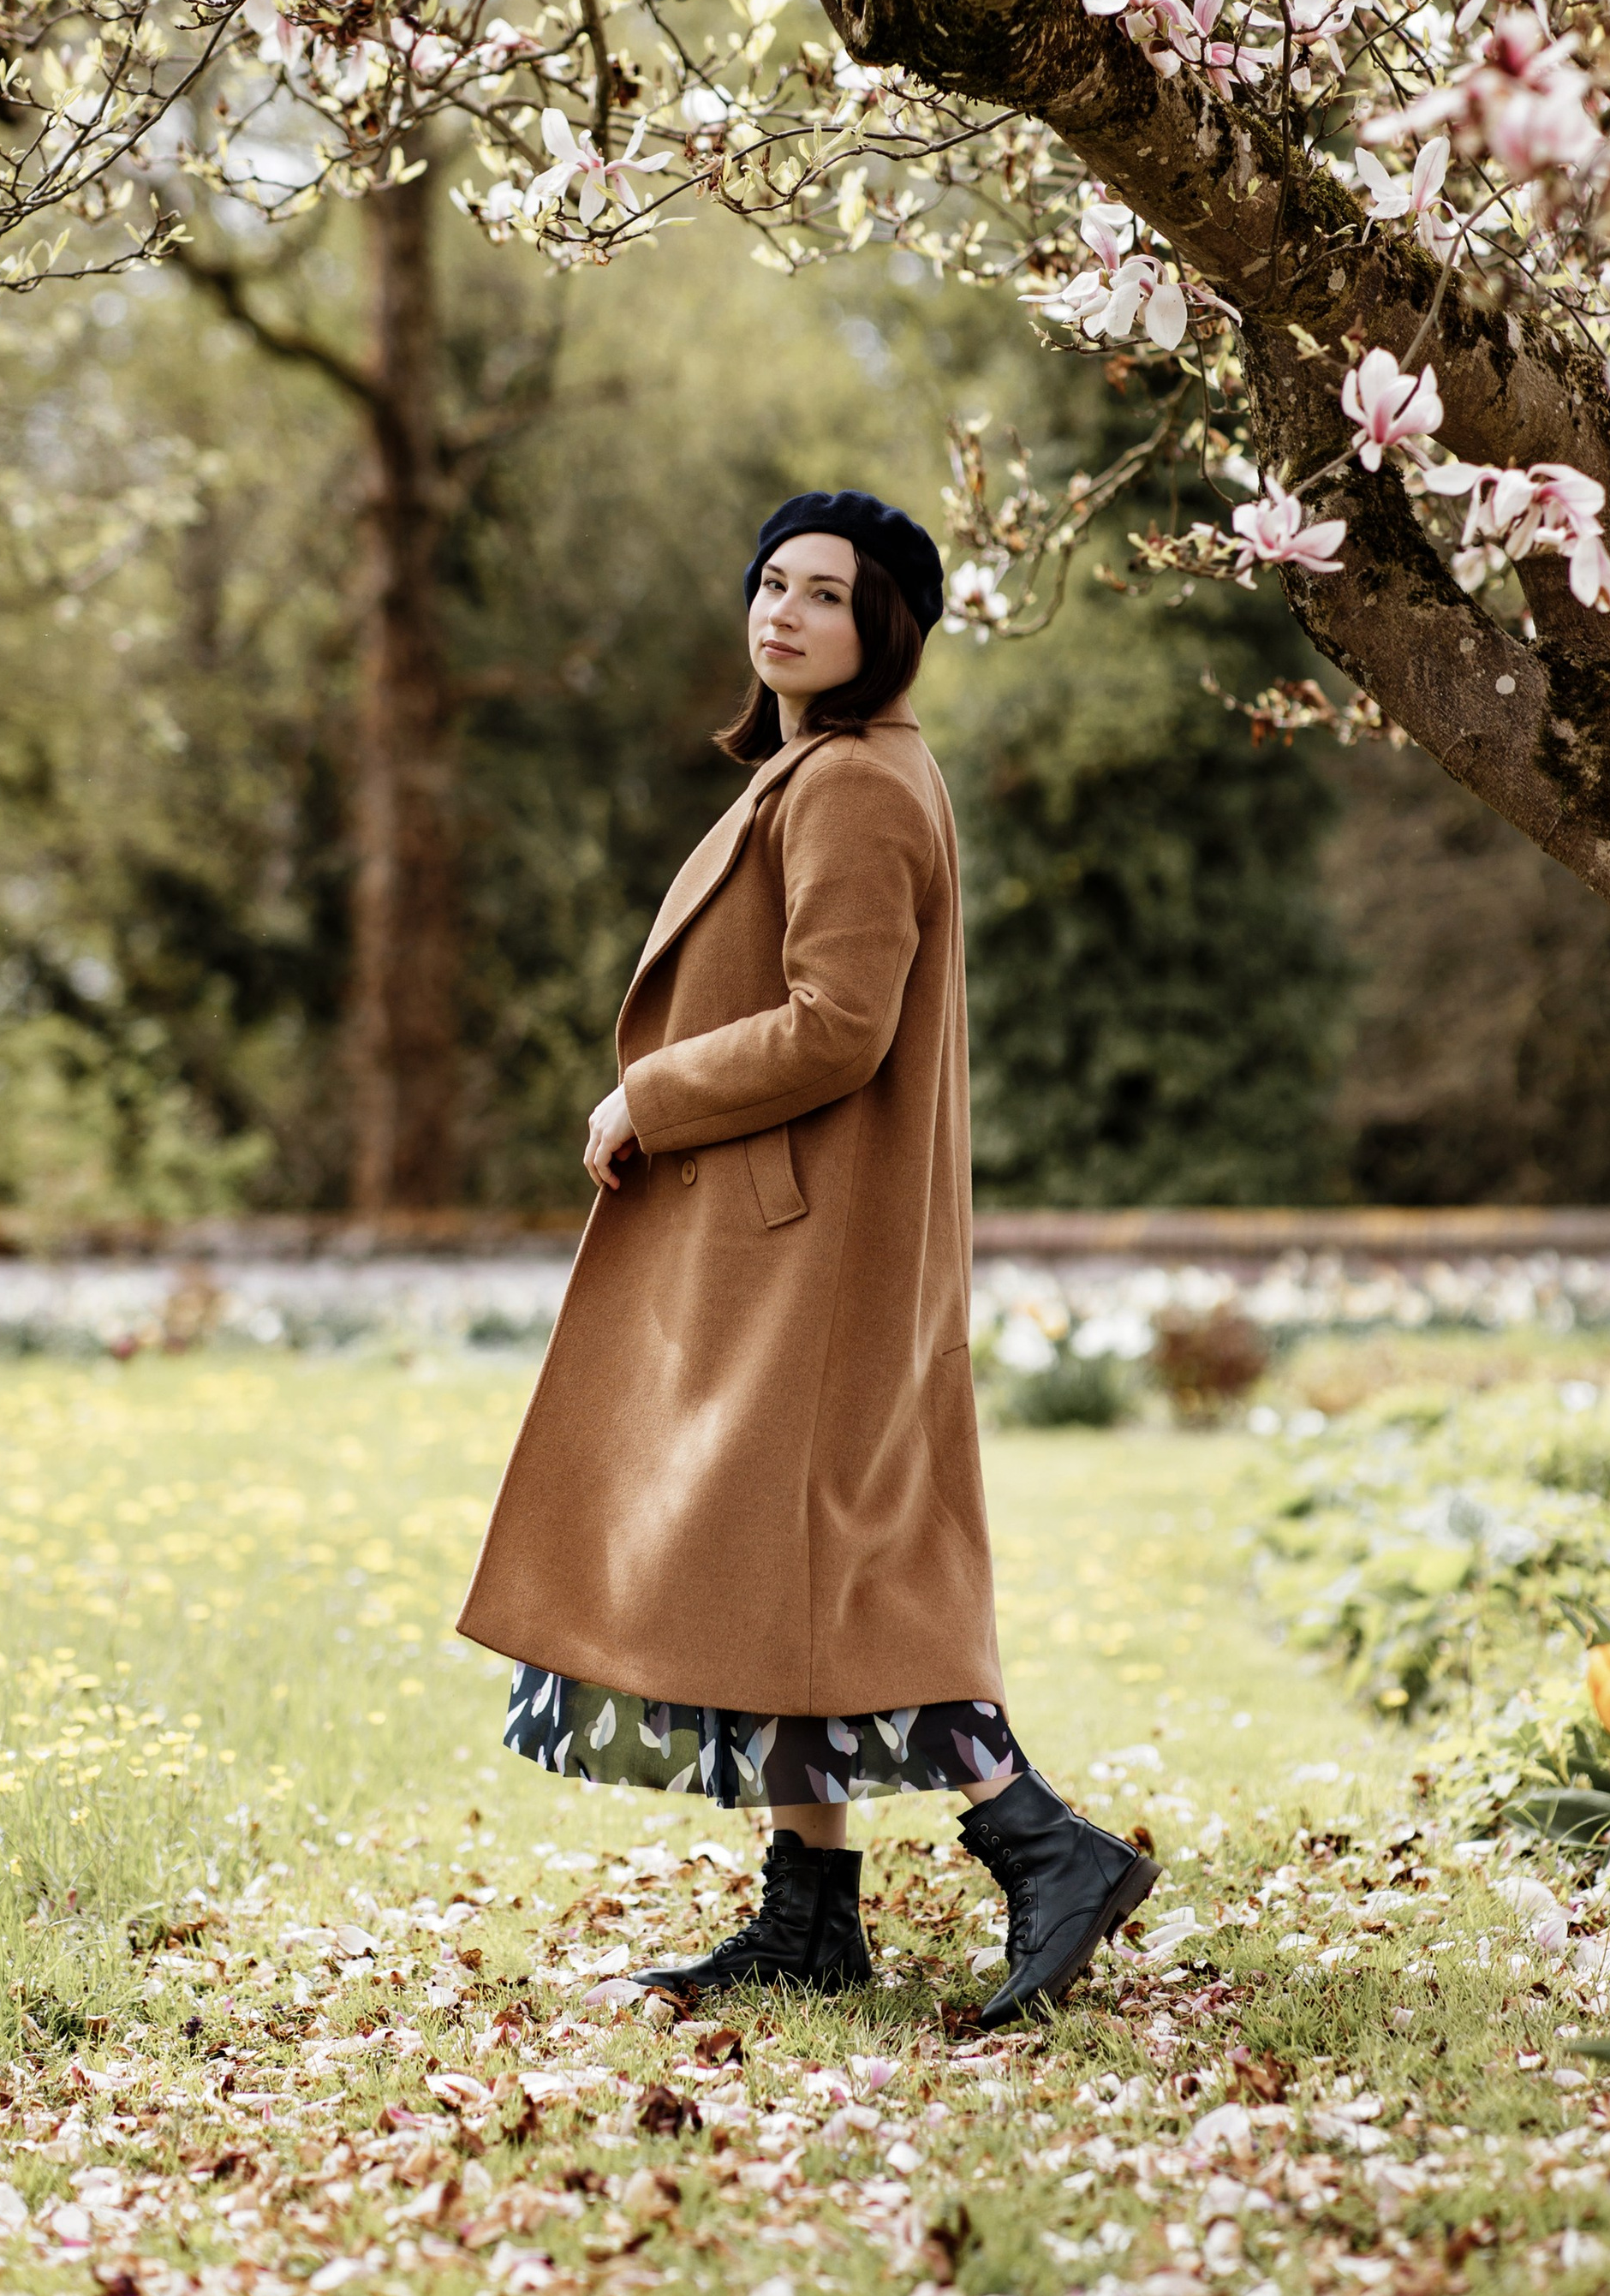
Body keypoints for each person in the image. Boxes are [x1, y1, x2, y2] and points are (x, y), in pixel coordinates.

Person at [455, 488, 1157, 2025]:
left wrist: (650, 1094)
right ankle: (811, 1914)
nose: (782, 612)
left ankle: (1044, 1845)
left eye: (826, 594)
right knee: (789, 1575)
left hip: (810, 1250)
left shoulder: (854, 783)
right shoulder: (830, 769)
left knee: (843, 1571)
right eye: (772, 582)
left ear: (883, 626)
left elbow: (840, 1028)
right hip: (798, 1237)